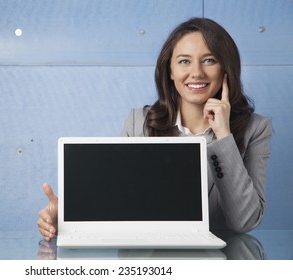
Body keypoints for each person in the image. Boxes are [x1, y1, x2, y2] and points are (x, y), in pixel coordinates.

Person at [37, 17, 272, 241]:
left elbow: (245, 222)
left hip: (219, 259)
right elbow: (118, 200)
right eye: (184, 61)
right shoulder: (138, 123)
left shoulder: (256, 128)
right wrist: (68, 219)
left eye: (209, 60)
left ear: (226, 69)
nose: (197, 72)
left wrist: (223, 136)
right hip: (146, 257)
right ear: (170, 71)